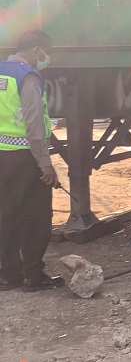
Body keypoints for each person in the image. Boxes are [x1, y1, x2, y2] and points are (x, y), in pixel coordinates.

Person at [0, 29, 65, 291]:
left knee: (6, 214)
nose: (46, 59)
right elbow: (34, 123)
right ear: (36, 49)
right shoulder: (27, 76)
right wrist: (45, 163)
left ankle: (8, 274)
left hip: (2, 157)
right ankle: (33, 275)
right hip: (25, 158)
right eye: (46, 53)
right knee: (35, 216)